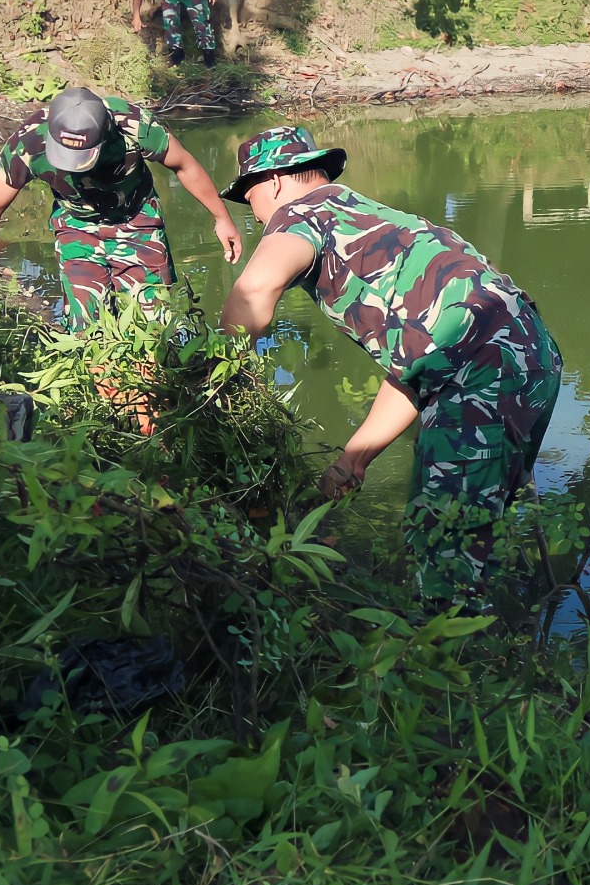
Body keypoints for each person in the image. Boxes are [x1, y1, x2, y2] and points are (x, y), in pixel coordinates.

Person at [217, 126, 560, 606]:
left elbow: (254, 292)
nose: (253, 216)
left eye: (248, 197)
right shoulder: (373, 218)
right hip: (526, 354)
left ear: (273, 181)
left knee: (447, 551)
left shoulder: (300, 216)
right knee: (467, 529)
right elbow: (422, 364)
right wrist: (351, 461)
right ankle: (497, 633)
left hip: (484, 370)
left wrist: (210, 376)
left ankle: (452, 662)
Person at [0, 86, 240, 326]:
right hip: (76, 225)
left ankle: (149, 385)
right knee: (86, 326)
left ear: (105, 134)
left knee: (151, 323)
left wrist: (222, 218)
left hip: (137, 219)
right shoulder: (31, 141)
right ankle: (101, 385)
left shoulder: (132, 125)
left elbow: (184, 164)